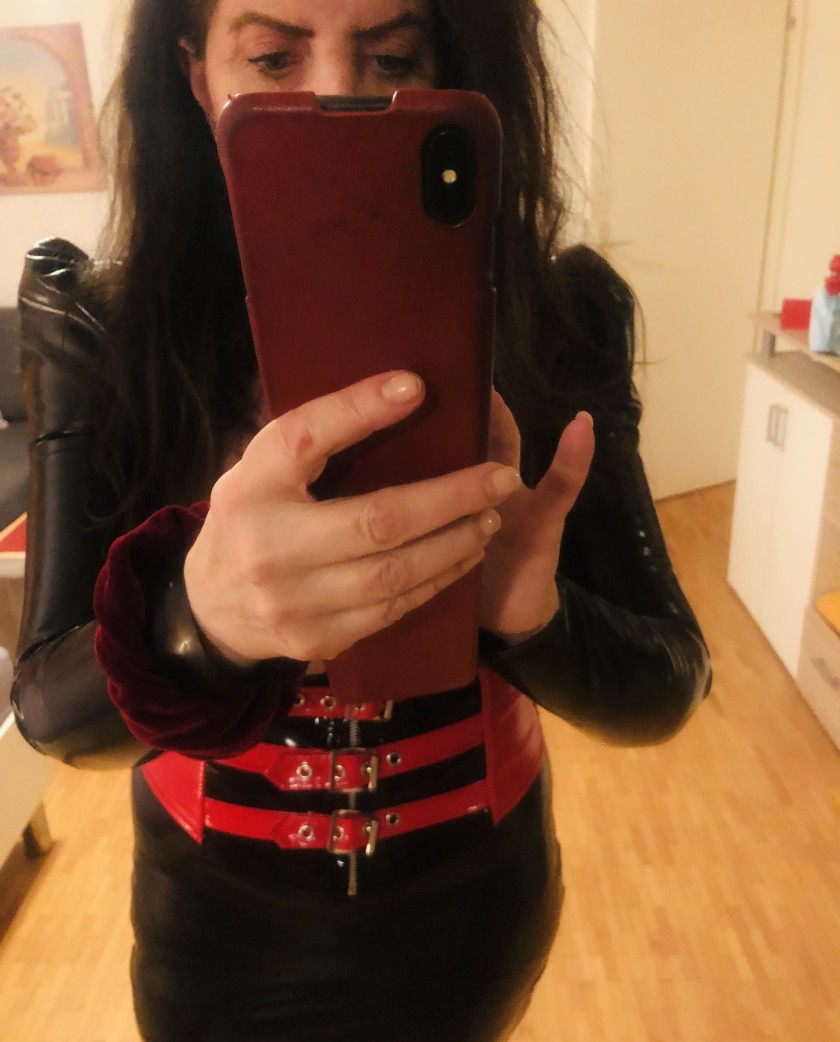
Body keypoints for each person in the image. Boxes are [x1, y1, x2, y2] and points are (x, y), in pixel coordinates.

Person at [11, 1, 712, 1040]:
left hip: (472, 921)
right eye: (271, 56)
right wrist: (203, 622)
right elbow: (48, 711)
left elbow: (667, 685)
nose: (335, 95)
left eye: (390, 56)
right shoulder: (103, 329)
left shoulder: (558, 318)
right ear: (199, 78)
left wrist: (533, 619)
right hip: (214, 933)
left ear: (454, 68)